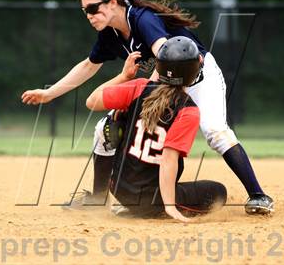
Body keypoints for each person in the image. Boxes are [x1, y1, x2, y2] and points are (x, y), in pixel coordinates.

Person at [21, 0, 273, 214]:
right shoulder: (110, 34)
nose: (88, 15)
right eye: (84, 10)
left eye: (92, 8)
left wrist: (140, 97)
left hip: (197, 74)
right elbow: (88, 66)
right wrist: (49, 93)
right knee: (104, 128)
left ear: (112, 2)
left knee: (215, 131)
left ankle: (258, 194)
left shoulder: (142, 18)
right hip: (161, 83)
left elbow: (166, 55)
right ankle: (98, 198)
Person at [86, 36, 227, 221]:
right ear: (194, 71)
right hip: (150, 201)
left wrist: (123, 77)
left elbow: (91, 101)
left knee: (109, 124)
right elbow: (168, 160)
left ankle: (118, 203)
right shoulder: (188, 110)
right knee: (218, 192)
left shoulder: (140, 87)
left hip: (118, 188)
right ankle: (146, 210)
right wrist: (170, 207)